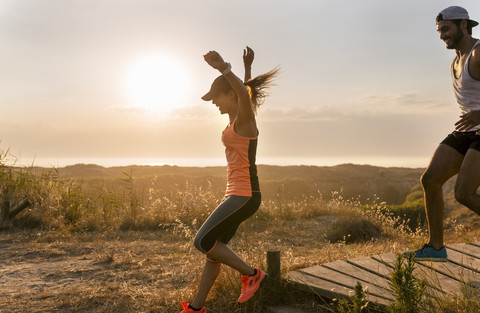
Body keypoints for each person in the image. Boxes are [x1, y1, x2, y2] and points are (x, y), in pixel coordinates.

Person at [180, 47, 279, 313]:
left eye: (216, 97)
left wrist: (224, 68)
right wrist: (246, 68)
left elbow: (245, 97)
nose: (214, 102)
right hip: (236, 194)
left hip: (244, 195)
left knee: (201, 242)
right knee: (214, 252)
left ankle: (252, 274)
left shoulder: (246, 122)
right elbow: (245, 94)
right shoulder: (237, 118)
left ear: (232, 95)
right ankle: (196, 308)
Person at [405, 6, 480, 262]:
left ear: (463, 25)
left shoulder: (479, 53)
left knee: (464, 193)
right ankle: (436, 248)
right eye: (439, 31)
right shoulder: (455, 62)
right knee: (430, 179)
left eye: (445, 29)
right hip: (468, 131)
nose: (442, 36)